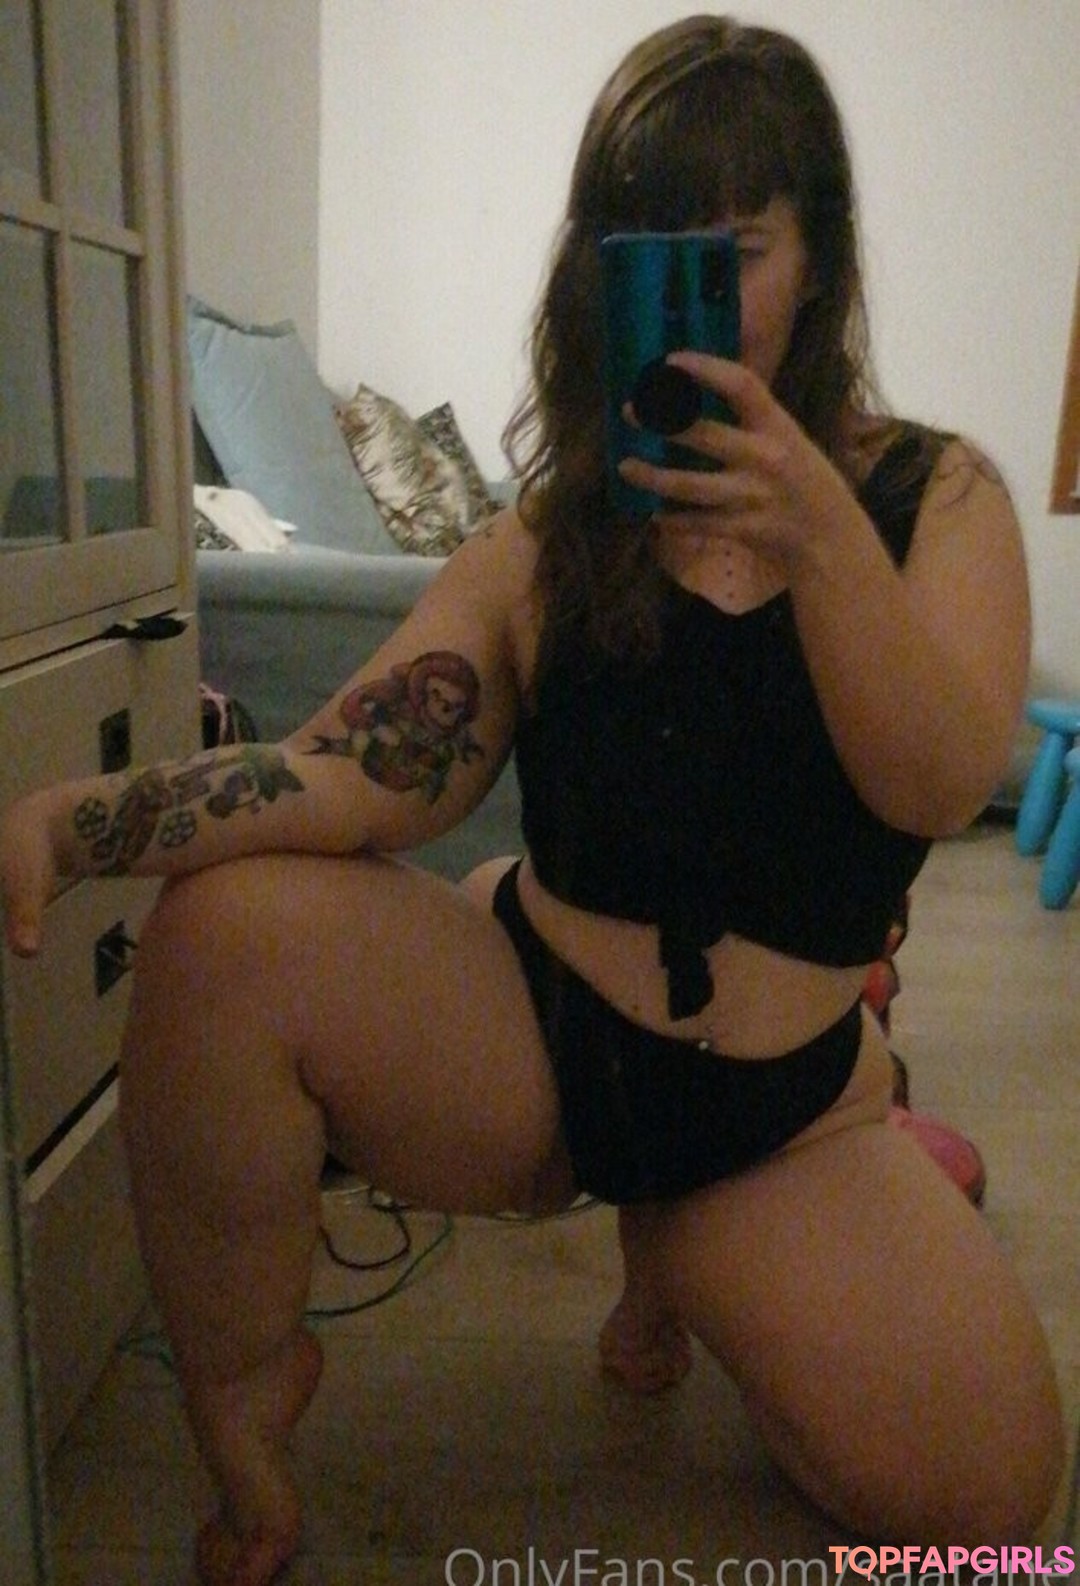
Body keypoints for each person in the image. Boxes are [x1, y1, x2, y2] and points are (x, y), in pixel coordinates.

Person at [1, 15, 1064, 1583]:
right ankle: (246, 1410)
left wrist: (820, 536)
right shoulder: (552, 534)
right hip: (545, 1038)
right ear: (595, 280)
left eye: (739, 254)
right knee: (224, 931)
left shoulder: (934, 497)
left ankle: (684, 1250)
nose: (703, 300)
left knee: (993, 1500)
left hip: (779, 1113)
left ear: (819, 258)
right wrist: (74, 822)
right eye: (653, 261)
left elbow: (940, 775)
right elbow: (354, 768)